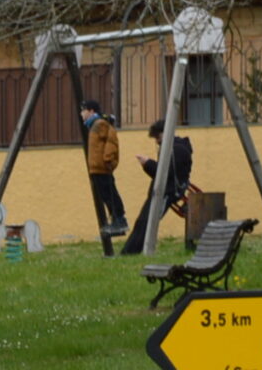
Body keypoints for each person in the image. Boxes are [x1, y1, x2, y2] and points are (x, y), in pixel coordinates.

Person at [124, 119, 194, 252]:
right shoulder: (177, 148)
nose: (156, 141)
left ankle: (131, 251)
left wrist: (147, 163)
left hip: (166, 192)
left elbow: (164, 173)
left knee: (146, 222)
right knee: (145, 222)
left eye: (157, 137)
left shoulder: (175, 149)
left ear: (165, 133)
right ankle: (131, 251)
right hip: (165, 191)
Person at [80, 99, 128, 254]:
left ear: (91, 111)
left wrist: (107, 160)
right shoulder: (93, 126)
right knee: (106, 195)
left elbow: (111, 140)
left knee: (110, 194)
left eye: (84, 110)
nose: (82, 113)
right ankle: (115, 220)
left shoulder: (100, 124)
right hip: (97, 169)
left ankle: (119, 220)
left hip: (102, 168)